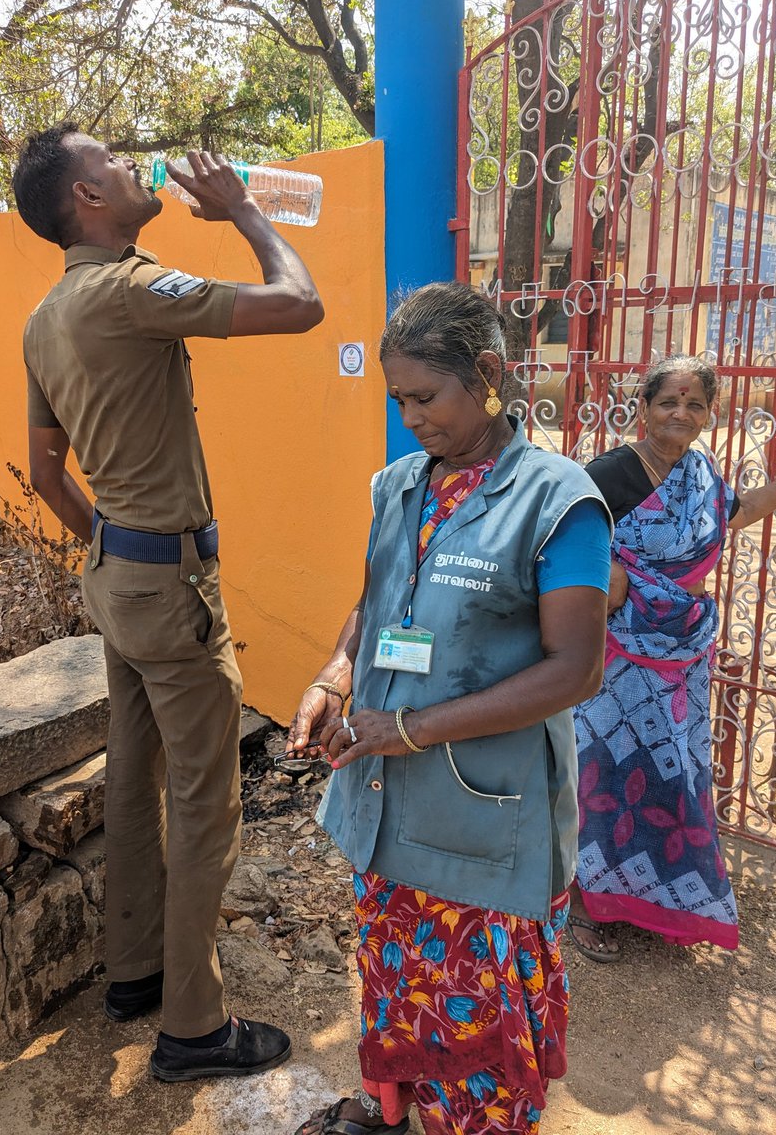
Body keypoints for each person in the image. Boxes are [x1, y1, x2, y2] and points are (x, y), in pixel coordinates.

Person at [11, 125, 323, 1080]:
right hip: (170, 590)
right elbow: (300, 304)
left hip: (117, 581)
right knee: (204, 803)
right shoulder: (128, 290)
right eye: (110, 156)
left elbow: (42, 473)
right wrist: (243, 211)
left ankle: (136, 972)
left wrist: (112, 543)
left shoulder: (46, 314)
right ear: (88, 199)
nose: (133, 159)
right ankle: (194, 1027)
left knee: (136, 781)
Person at [286, 282, 612, 1135]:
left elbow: (575, 670)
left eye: (426, 397)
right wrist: (331, 679)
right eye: (399, 400)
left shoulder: (558, 500)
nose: (411, 418)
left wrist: (411, 729)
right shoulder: (398, 486)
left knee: (479, 1012)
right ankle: (390, 1109)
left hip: (483, 818)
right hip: (386, 804)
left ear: (490, 373)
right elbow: (374, 605)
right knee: (396, 981)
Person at [567, 355, 776, 962]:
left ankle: (648, 895)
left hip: (682, 654)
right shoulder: (612, 473)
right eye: (668, 402)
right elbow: (563, 536)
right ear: (643, 409)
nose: (680, 413)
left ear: (709, 415)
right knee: (606, 774)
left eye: (694, 404)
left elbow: (735, 516)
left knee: (673, 773)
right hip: (617, 656)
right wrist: (610, 571)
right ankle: (586, 904)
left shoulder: (699, 473)